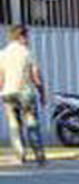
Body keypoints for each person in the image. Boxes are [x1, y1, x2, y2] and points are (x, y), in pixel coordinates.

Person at [0, 25, 46, 165]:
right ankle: (39, 155)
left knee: (14, 125)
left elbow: (0, 77)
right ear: (22, 36)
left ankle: (20, 155)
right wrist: (42, 93)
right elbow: (36, 76)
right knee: (32, 123)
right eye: (27, 36)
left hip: (8, 93)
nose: (28, 39)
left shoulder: (3, 53)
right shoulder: (27, 52)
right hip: (25, 93)